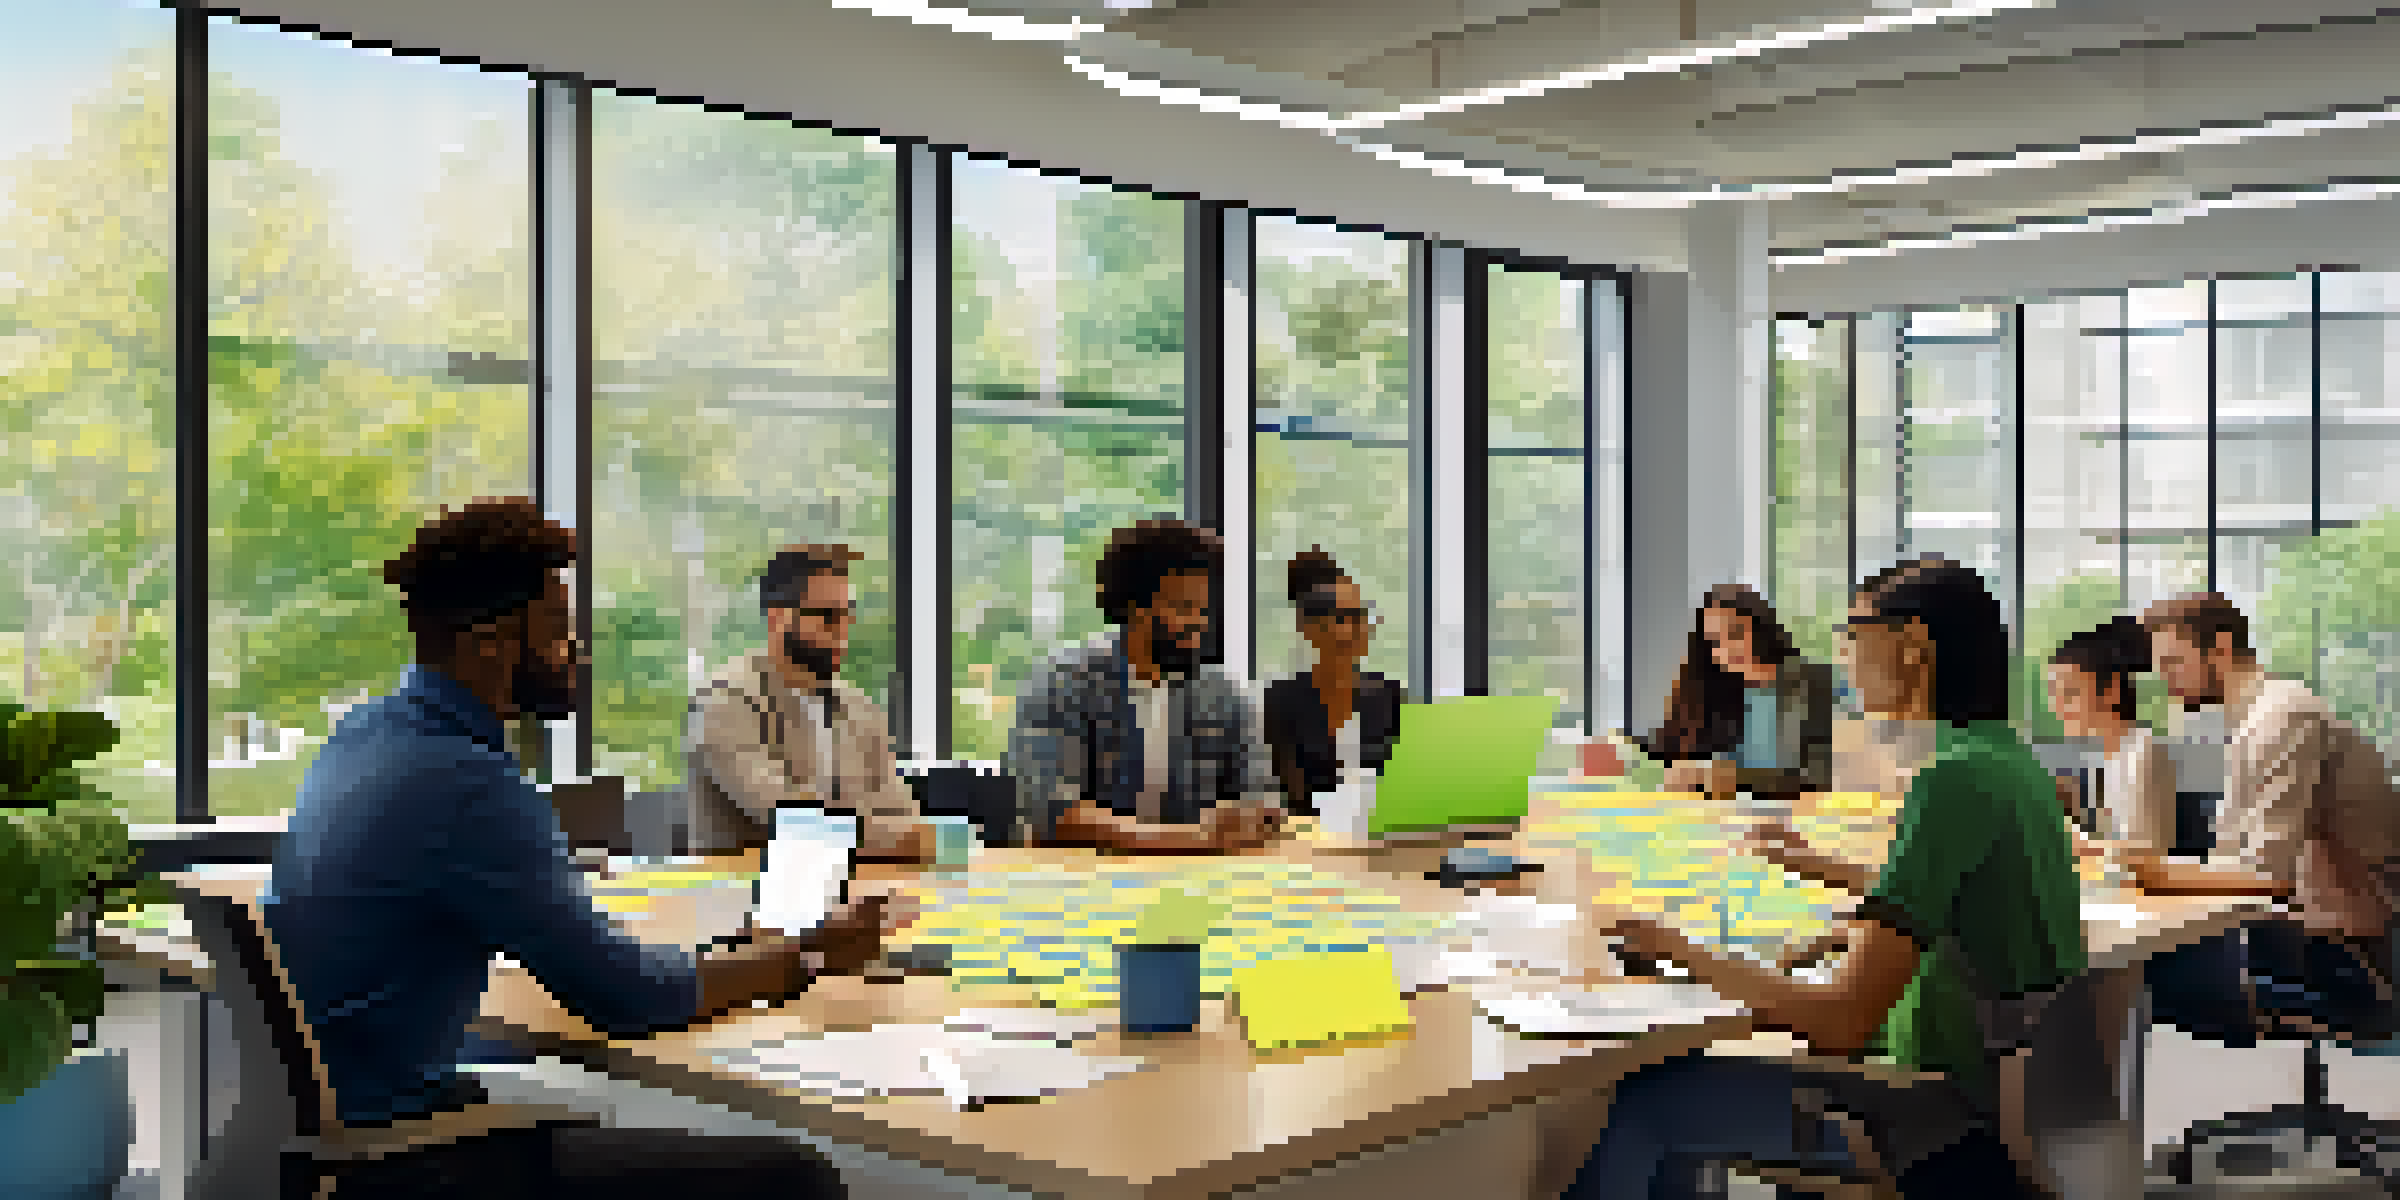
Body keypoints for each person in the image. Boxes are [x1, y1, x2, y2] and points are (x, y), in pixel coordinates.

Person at [265, 498, 909, 1199]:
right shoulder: (468, 783)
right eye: (557, 634)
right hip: (401, 1159)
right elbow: (626, 997)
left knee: (590, 1113)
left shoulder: (365, 736)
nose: (576, 653)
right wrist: (807, 956)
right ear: (488, 644)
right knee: (799, 1179)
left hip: (344, 1128)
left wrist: (737, 956)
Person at [1567, 556, 2083, 1200]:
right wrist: (1853, 919)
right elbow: (1969, 903)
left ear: (1914, 646)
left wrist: (1673, 948)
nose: (1843, 657)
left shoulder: (1949, 780)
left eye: (1854, 635)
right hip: (2017, 1097)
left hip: (1937, 1115)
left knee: (1650, 1096)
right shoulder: (2008, 762)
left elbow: (1841, 1022)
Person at [2129, 592, 2400, 1045]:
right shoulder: (2254, 721)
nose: (2165, 678)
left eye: (2174, 661)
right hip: (2314, 929)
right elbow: (2234, 853)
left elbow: (2264, 873)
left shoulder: (2282, 715)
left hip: (2346, 948)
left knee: (2149, 971)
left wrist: (2156, 875)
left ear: (2218, 648)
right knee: (2148, 953)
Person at [1007, 516, 1284, 853]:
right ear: (1133, 607)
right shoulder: (1062, 683)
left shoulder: (1221, 694)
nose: (1198, 623)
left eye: (1203, 609)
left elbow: (1263, 798)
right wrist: (1188, 839)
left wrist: (1251, 817)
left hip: (1197, 884)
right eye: (1183, 608)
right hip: (1083, 885)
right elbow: (1049, 810)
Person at [687, 543, 934, 866]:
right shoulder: (725, 700)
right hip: (748, 901)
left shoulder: (858, 707)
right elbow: (793, 820)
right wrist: (878, 831)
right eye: (828, 617)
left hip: (856, 893)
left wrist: (858, 829)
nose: (843, 632)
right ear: (778, 618)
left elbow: (907, 820)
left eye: (848, 615)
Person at [1637, 583, 1835, 802]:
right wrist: (1623, 748)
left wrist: (1729, 776)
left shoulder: (1812, 685)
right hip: (1722, 817)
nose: (1726, 650)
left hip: (1789, 818)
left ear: (1761, 628)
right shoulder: (1717, 687)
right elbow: (1669, 741)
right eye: (1715, 642)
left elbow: (1819, 778)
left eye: (1735, 633)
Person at [1261, 548, 1402, 817]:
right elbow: (1292, 802)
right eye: (1341, 618)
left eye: (1360, 616)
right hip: (1310, 842)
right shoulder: (1280, 702)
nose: (1353, 630)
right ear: (1308, 627)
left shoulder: (1390, 696)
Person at [2045, 616, 2174, 855]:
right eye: (2054, 695)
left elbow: (2150, 855)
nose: (2057, 707)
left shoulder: (2148, 755)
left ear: (2111, 692)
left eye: (2070, 694)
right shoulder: (2105, 756)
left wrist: (2079, 845)